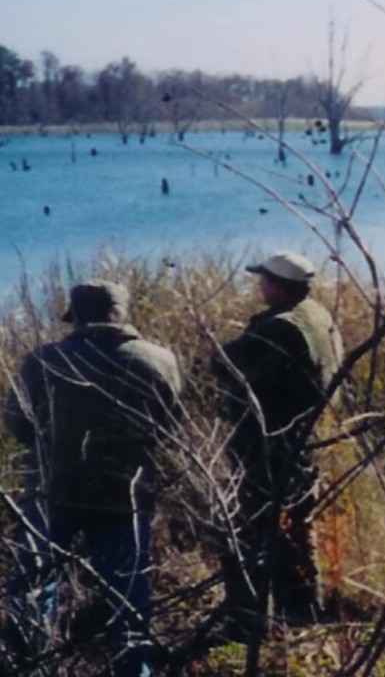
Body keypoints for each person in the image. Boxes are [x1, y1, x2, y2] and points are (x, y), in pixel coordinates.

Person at [3, 280, 182, 677]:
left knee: (34, 589)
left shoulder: (43, 361)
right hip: (126, 493)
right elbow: (169, 427)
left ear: (77, 315)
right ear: (121, 314)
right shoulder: (159, 360)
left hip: (54, 492)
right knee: (129, 598)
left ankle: (21, 665)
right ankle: (135, 670)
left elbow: (18, 424)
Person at [211, 250, 342, 636]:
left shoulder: (279, 327)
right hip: (303, 438)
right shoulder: (318, 315)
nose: (259, 285)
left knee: (250, 532)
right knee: (296, 526)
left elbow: (224, 364)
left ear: (279, 287)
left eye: (264, 279)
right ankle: (303, 612)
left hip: (269, 444)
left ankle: (249, 624)